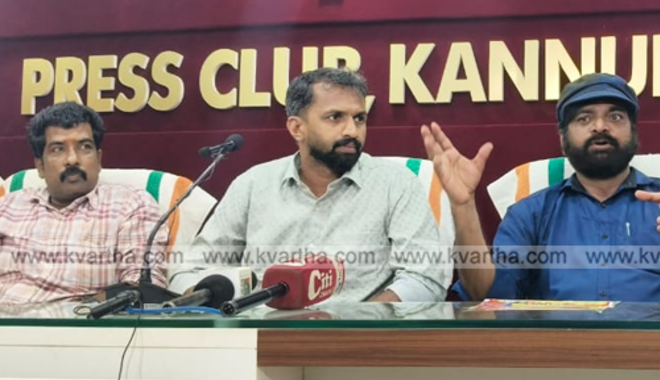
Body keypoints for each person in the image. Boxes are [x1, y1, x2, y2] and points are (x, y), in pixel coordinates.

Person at [421, 73, 660, 302]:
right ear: (563, 139)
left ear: (634, 133)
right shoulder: (532, 213)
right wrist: (462, 204)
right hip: (558, 364)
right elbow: (487, 297)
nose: (600, 126)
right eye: (584, 119)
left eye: (615, 117)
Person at [177, 68, 448, 302]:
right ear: (297, 128)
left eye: (359, 118)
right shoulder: (252, 185)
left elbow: (423, 279)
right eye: (335, 117)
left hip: (362, 341)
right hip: (259, 339)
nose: (352, 131)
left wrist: (362, 320)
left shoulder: (395, 184)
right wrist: (203, 295)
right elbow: (187, 271)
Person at [0, 102, 167, 305]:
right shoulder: (8, 206)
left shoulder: (130, 206)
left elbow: (142, 291)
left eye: (85, 147)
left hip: (79, 329)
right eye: (58, 149)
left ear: (98, 159)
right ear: (40, 166)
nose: (72, 160)